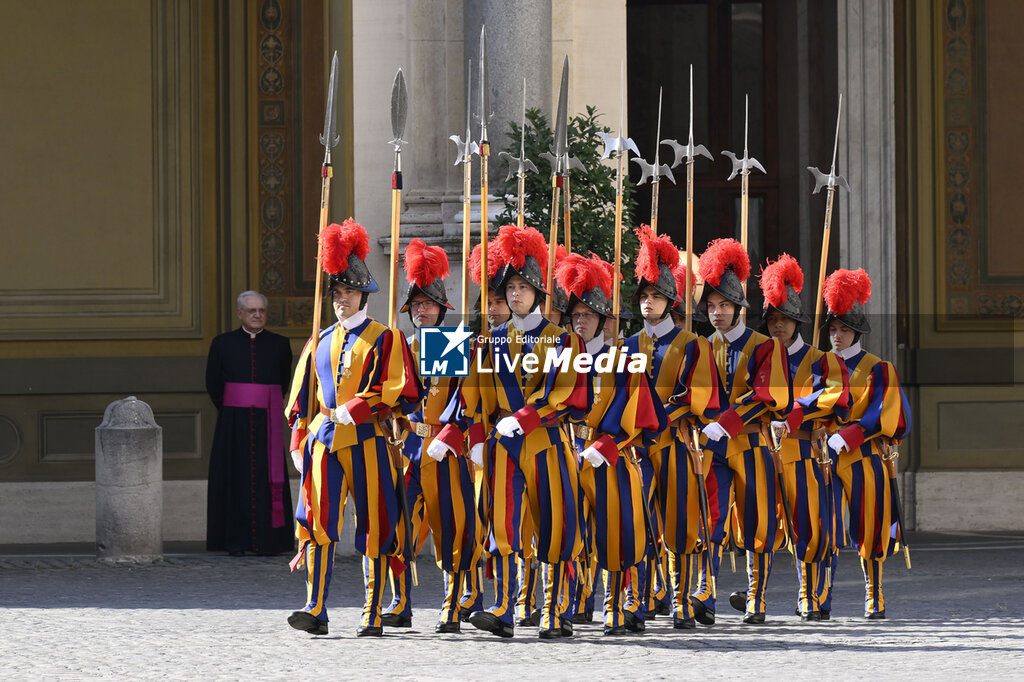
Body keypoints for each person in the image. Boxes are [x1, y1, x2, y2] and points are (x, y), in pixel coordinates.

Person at [284, 219, 421, 637]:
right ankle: (316, 606)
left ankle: (373, 611)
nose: (340, 299)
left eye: (347, 292)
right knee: (319, 524)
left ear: (363, 294)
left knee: (375, 524)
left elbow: (402, 391)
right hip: (324, 443)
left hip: (368, 442)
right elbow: (302, 398)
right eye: (336, 293)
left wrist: (359, 408)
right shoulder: (318, 339)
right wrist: (298, 439)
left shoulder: (387, 338)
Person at [459, 224, 587, 639]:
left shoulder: (562, 340)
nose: (514, 294)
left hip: (546, 443)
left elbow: (567, 395)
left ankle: (554, 609)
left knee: (553, 525)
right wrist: (477, 439)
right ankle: (506, 607)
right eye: (509, 287)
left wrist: (526, 418)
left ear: (537, 294)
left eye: (522, 287)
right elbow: (476, 398)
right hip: (502, 447)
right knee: (505, 525)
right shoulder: (488, 340)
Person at [557, 252, 667, 635]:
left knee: (616, 533)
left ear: (604, 321)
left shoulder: (625, 361)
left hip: (611, 458)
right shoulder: (561, 360)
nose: (581, 321)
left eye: (588, 315)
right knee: (569, 532)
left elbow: (641, 416)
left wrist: (608, 445)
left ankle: (617, 606)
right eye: (576, 315)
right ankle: (566, 605)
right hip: (570, 453)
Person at [622, 225, 722, 631]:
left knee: (678, 523)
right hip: (635, 446)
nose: (649, 303)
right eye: (644, 296)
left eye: (656, 297)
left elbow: (697, 396)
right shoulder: (626, 346)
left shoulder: (691, 344)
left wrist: (656, 414)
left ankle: (680, 600)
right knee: (634, 518)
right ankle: (638, 597)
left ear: (670, 302)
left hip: (675, 443)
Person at [691, 238, 791, 625]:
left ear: (738, 308)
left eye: (723, 306)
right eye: (711, 306)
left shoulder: (767, 347)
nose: (716, 313)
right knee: (709, 518)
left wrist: (726, 422)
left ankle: (757, 598)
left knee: (756, 521)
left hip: (751, 444)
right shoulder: (698, 346)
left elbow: (769, 395)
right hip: (711, 447)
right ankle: (706, 592)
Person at [381, 238, 478, 634]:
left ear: (441, 309)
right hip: (406, 449)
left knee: (450, 529)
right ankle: (400, 600)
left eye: (428, 304)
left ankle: (451, 606)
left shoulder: (457, 343)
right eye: (415, 305)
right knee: (398, 528)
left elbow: (465, 399)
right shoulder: (398, 345)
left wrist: (451, 435)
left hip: (443, 449)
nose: (421, 311)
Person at [756, 255, 850, 621]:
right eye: (772, 320)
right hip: (764, 449)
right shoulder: (759, 356)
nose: (777, 326)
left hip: (804, 449)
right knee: (760, 525)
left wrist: (799, 410)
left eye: (784, 320)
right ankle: (756, 598)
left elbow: (834, 397)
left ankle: (810, 595)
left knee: (808, 526)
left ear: (797, 322)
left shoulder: (820, 360)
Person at [817, 268, 911, 619]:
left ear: (856, 331)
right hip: (825, 456)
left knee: (870, 526)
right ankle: (820, 596)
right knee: (824, 527)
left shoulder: (878, 368)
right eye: (832, 328)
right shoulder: (820, 364)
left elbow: (883, 414)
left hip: (864, 457)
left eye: (843, 329)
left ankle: (874, 592)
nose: (836, 335)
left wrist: (849, 435)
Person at [205, 290, 294, 557]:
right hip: (233, 425)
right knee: (235, 478)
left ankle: (271, 540)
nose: (257, 315)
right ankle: (235, 541)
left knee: (269, 479)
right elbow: (213, 384)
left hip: (268, 422)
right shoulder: (222, 344)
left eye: (262, 311)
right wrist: (236, 407)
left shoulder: (279, 344)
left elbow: (283, 381)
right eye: (252, 311)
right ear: (240, 313)